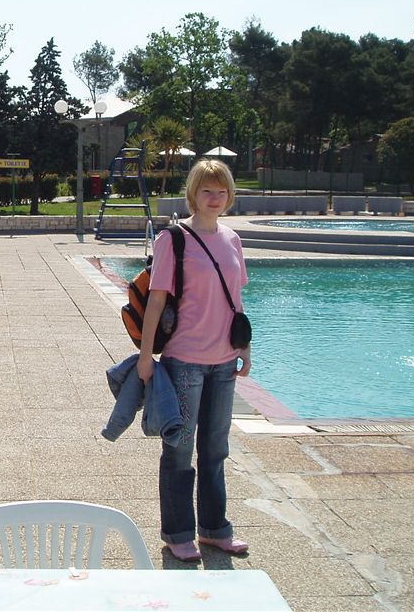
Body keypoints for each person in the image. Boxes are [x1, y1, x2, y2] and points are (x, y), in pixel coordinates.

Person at [137, 158, 251, 562]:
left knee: (216, 449)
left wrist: (244, 347)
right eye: (207, 190)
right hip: (184, 360)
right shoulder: (174, 239)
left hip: (224, 361)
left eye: (221, 191)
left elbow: (236, 298)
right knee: (179, 451)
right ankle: (178, 533)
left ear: (229, 195)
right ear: (193, 194)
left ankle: (215, 530)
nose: (214, 198)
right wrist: (146, 356)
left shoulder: (232, 239)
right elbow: (156, 301)